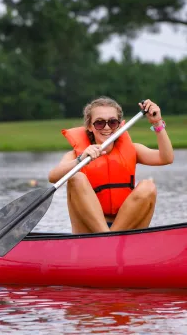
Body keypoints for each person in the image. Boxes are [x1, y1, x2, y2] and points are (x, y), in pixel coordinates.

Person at [48, 97, 174, 233]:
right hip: (89, 231)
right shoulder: (76, 156)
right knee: (77, 178)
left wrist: (157, 123)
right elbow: (53, 177)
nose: (107, 127)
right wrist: (80, 159)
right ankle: (106, 237)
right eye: (99, 123)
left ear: (119, 125)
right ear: (90, 127)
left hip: (126, 227)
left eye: (113, 122)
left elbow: (166, 158)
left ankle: (109, 237)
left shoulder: (133, 149)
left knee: (148, 187)